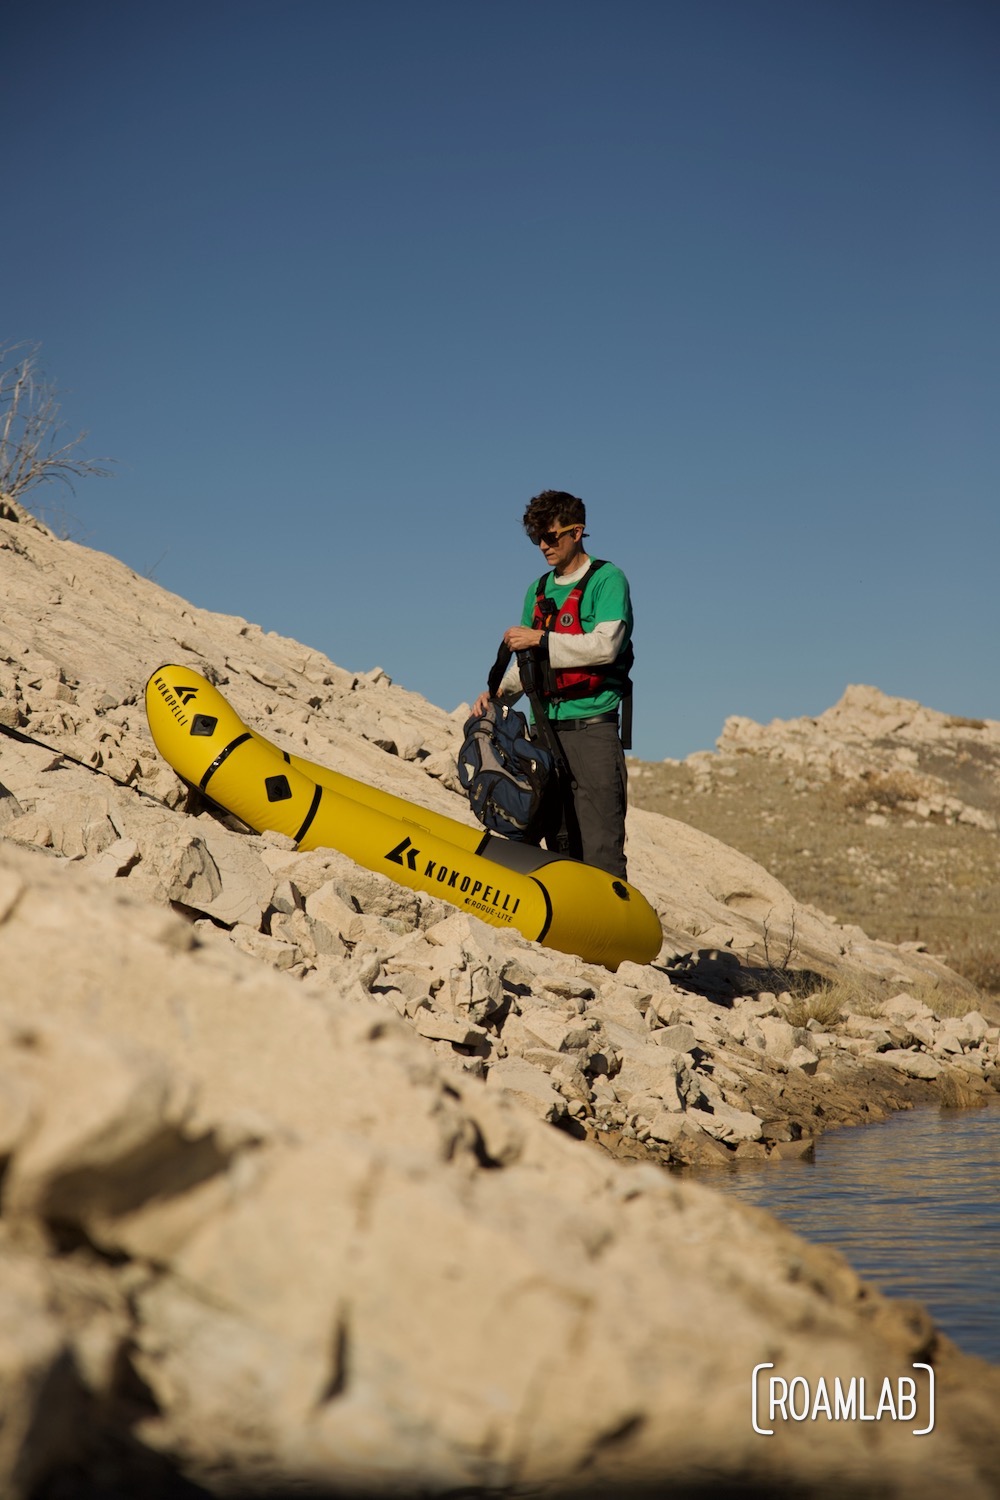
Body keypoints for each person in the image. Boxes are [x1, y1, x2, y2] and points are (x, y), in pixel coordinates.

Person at [472, 489, 633, 879]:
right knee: (550, 834)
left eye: (550, 536)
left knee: (600, 844)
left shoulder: (607, 580)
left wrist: (541, 639)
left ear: (577, 532)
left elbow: (606, 645)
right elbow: (528, 664)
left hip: (593, 730)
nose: (543, 546)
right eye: (536, 538)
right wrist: (495, 695)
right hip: (544, 734)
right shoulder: (538, 590)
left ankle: (608, 929)